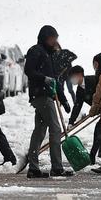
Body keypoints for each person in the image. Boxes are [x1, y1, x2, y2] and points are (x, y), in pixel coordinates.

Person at [24, 25, 73, 178]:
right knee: (55, 129)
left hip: (47, 95)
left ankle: (33, 168)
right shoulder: (36, 50)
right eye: (52, 38)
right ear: (45, 37)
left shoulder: (48, 54)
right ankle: (57, 167)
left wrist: (64, 100)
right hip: (41, 96)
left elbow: (55, 81)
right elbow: (29, 70)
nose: (54, 41)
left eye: (55, 39)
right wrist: (43, 79)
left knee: (39, 131)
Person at [52, 42, 77, 111]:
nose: (55, 48)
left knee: (70, 90)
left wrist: (67, 62)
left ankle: (75, 103)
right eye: (54, 47)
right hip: (61, 76)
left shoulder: (65, 52)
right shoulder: (54, 56)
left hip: (68, 75)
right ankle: (61, 104)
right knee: (61, 90)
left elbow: (74, 56)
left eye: (56, 46)